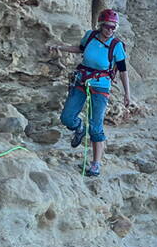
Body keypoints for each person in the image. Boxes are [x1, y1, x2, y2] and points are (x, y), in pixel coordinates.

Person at [46, 9, 131, 177]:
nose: (110, 30)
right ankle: (78, 128)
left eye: (113, 27)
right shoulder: (90, 36)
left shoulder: (117, 45)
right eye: (107, 27)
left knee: (95, 127)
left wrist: (127, 94)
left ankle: (95, 164)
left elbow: (123, 71)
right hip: (81, 80)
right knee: (67, 118)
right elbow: (80, 49)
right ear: (100, 25)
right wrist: (60, 47)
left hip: (101, 86)